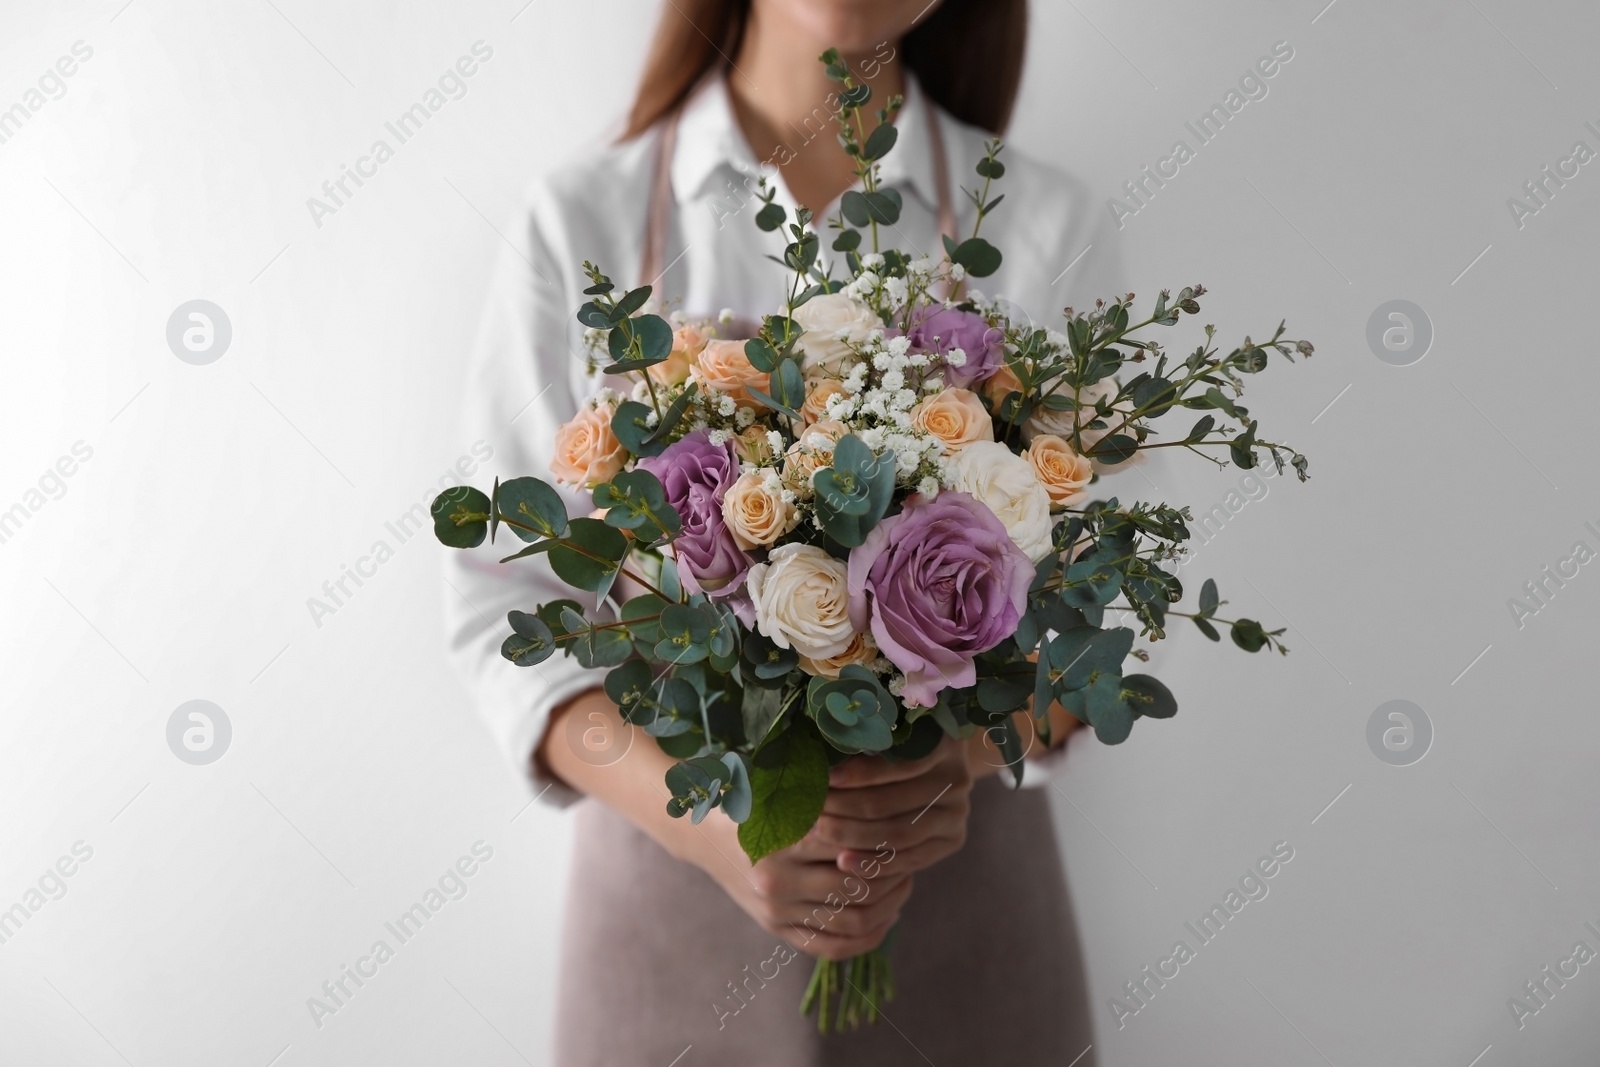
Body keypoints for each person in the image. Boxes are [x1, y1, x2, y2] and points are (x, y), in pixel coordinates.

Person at [445, 1, 1113, 1061]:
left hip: (967, 921)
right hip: (665, 915)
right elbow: (504, 603)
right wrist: (701, 822)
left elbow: (1101, 622)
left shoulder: (1039, 223)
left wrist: (962, 763)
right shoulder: (587, 222)